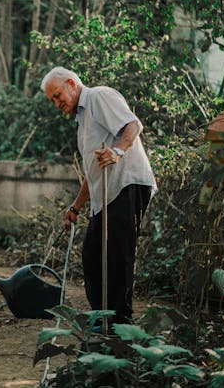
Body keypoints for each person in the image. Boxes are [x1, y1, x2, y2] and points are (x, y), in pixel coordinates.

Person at [41, 67, 157, 327]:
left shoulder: (98, 97)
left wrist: (117, 151)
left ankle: (120, 325)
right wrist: (76, 206)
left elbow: (133, 124)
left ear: (72, 83)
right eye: (53, 100)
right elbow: (92, 172)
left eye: (58, 95)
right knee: (92, 255)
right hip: (105, 192)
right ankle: (102, 318)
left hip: (127, 183)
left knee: (118, 255)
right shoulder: (82, 120)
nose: (57, 103)